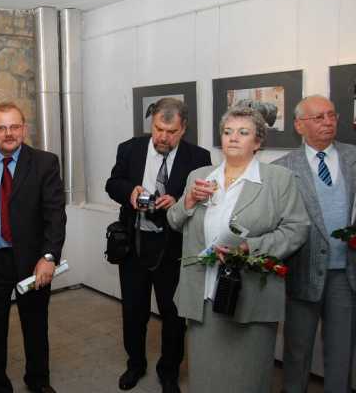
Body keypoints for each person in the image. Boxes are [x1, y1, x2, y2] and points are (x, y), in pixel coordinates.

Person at [167, 106, 309, 392]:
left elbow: (297, 229)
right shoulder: (200, 175)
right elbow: (173, 220)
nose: (233, 137)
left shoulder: (278, 179)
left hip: (251, 296)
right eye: (227, 131)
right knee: (206, 377)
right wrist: (189, 201)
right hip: (203, 296)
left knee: (248, 377)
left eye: (243, 132)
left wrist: (249, 247)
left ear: (258, 141)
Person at [105, 98, 211, 392]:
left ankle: (169, 372)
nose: (163, 137)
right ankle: (135, 364)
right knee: (133, 311)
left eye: (171, 131)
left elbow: (206, 200)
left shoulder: (199, 157)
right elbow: (112, 183)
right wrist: (130, 192)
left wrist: (179, 201)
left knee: (173, 315)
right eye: (158, 129)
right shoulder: (130, 149)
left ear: (183, 128)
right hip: (134, 245)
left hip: (174, 247)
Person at [0, 102, 66, 393]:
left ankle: (38, 380)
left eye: (14, 126)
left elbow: (55, 215)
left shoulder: (45, 163)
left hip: (33, 263)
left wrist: (49, 256)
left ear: (24, 128)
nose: (8, 133)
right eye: (1, 128)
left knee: (35, 325)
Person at [273, 95, 356, 393]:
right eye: (319, 117)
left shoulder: (353, 157)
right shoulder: (282, 169)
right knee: (297, 350)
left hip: (345, 274)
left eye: (332, 115)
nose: (328, 122)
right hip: (302, 271)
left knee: (342, 350)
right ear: (299, 125)